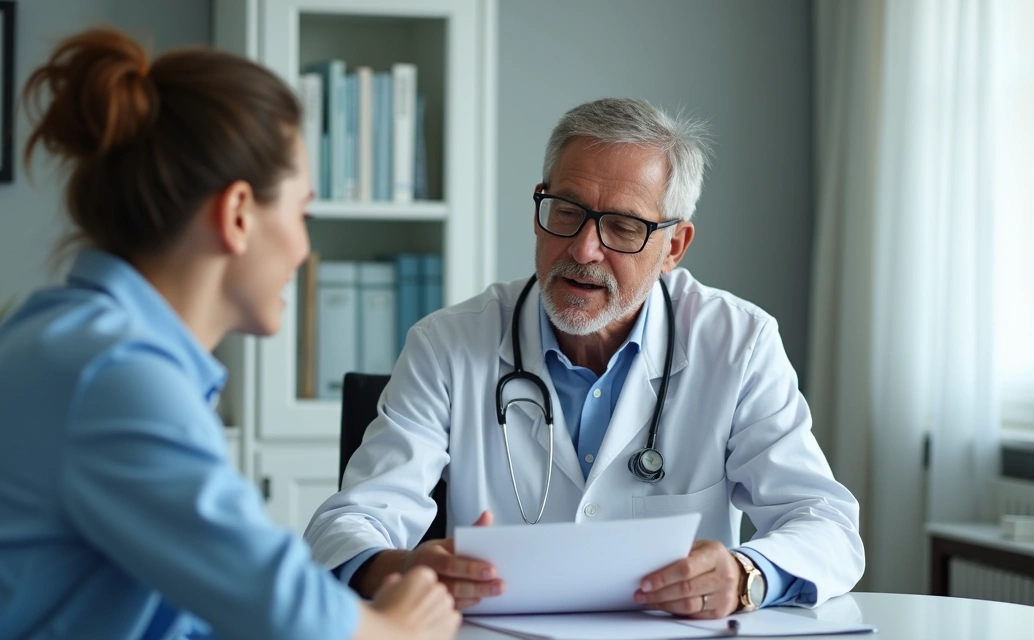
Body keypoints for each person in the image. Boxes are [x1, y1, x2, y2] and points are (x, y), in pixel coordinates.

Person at [0, 28, 459, 640]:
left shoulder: (76, 339)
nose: (305, 249)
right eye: (301, 213)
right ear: (236, 216)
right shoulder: (114, 373)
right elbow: (283, 610)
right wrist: (396, 624)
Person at [304, 98, 865, 619]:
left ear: (673, 246)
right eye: (566, 212)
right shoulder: (447, 344)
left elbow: (827, 525)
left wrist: (746, 575)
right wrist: (404, 568)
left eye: (623, 226)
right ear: (538, 209)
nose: (582, 248)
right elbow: (347, 524)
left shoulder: (738, 343)